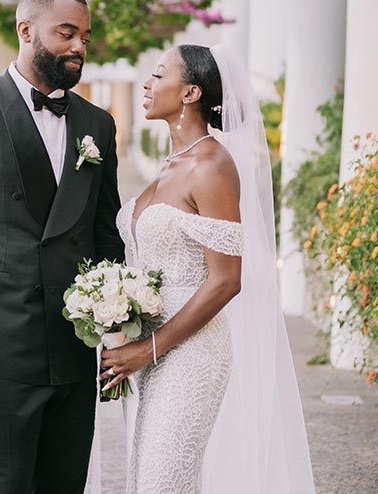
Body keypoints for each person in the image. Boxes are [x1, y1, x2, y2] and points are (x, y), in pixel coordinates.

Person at [0, 0, 126, 494]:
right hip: (0, 354)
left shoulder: (97, 126)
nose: (79, 46)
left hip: (76, 353)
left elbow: (105, 235)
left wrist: (118, 327)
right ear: (26, 30)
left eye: (85, 36)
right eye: (66, 33)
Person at [101, 44, 315, 494]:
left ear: (190, 92)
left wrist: (150, 348)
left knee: (164, 483)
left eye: (159, 75)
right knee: (144, 479)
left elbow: (226, 280)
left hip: (191, 351)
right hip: (147, 348)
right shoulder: (170, 165)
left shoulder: (213, 166)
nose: (147, 82)